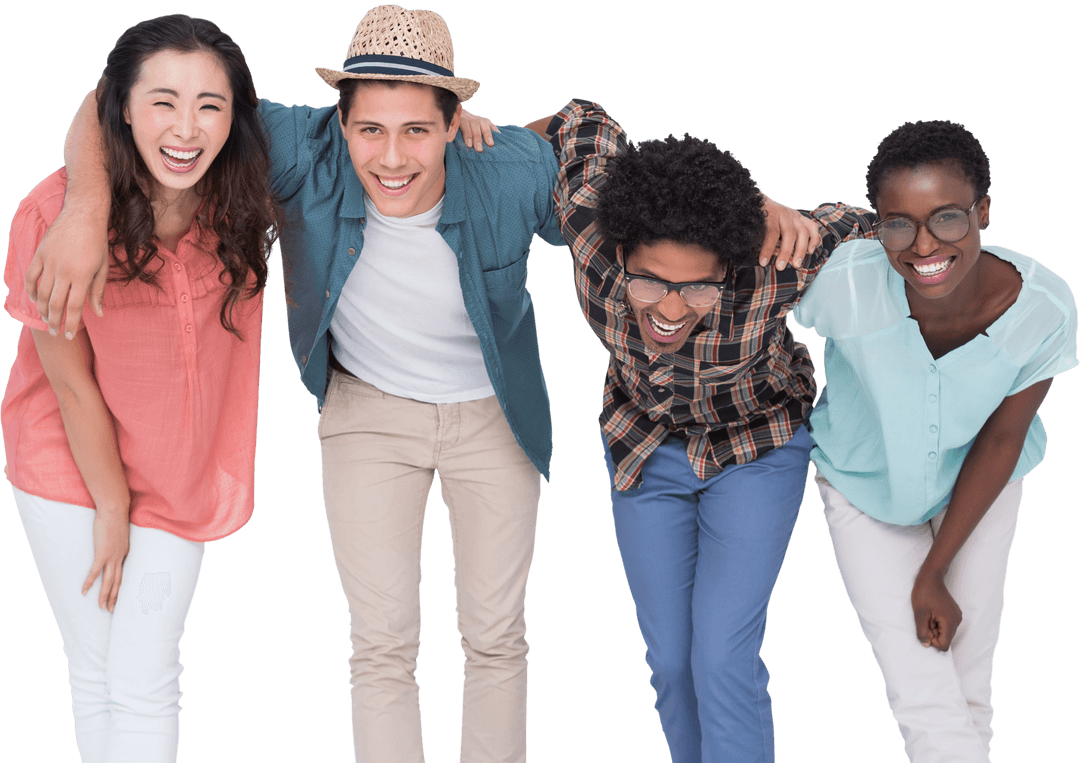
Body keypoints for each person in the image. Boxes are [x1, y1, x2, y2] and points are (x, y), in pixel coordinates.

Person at [517, 100, 875, 763]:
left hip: (756, 448)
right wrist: (503, 143)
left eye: (699, 289)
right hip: (644, 448)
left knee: (721, 655)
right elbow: (581, 120)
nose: (673, 309)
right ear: (620, 250)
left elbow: (883, 228)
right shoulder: (590, 225)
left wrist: (770, 207)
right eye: (651, 282)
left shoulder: (776, 262)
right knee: (672, 663)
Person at [2, 14, 278, 763]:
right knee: (98, 671)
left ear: (236, 115)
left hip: (179, 471)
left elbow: (380, 119)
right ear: (121, 108)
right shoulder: (51, 216)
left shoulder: (249, 190)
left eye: (210, 105)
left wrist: (462, 117)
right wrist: (112, 506)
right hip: (67, 465)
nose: (186, 127)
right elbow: (69, 384)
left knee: (144, 672)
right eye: (162, 101)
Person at [792, 121, 1077, 762]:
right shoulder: (843, 282)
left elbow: (1005, 438)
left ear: (983, 211)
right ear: (878, 225)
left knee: (969, 678)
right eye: (899, 223)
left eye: (947, 218)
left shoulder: (1045, 309)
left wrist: (934, 569)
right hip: (866, 486)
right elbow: (752, 291)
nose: (924, 245)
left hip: (981, 485)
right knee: (921, 684)